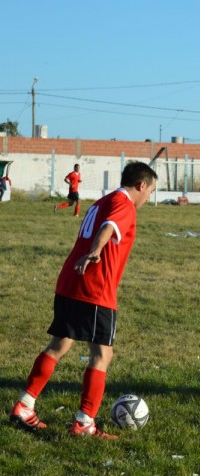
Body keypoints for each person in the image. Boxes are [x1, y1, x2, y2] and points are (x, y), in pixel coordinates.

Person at [10, 161, 158, 438]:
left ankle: (24, 404)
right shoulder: (123, 205)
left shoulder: (101, 200)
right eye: (150, 192)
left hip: (69, 281)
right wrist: (96, 252)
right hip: (94, 287)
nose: (148, 198)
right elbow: (108, 227)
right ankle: (85, 422)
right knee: (102, 353)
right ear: (141, 185)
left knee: (59, 343)